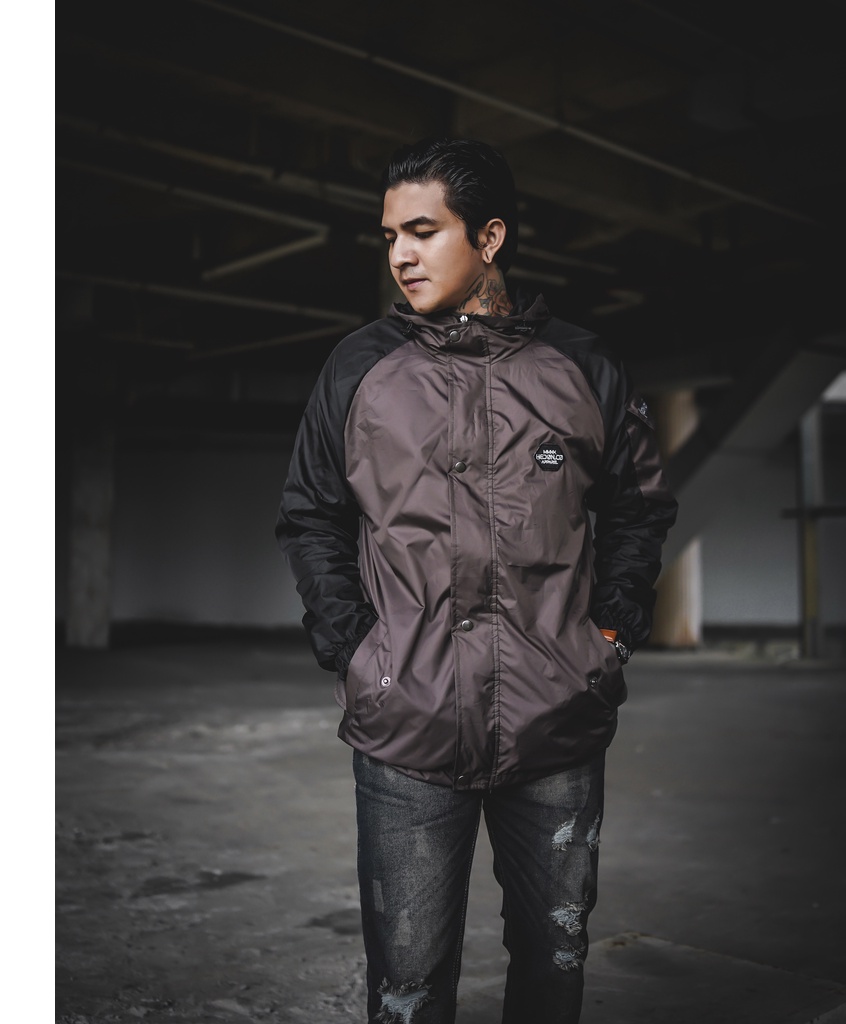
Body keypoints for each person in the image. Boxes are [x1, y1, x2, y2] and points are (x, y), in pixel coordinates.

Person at [276, 137, 677, 1024]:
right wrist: (359, 654)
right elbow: (310, 515)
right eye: (390, 236)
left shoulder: (582, 368)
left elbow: (639, 509)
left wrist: (608, 638)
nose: (401, 255)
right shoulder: (359, 368)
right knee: (409, 985)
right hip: (407, 730)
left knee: (554, 968)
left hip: (557, 726)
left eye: (424, 231)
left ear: (489, 237)